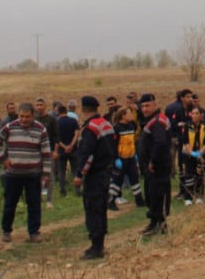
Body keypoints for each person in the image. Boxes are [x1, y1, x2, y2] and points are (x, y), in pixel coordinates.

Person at [0, 102, 51, 243]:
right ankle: (6, 231)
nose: (24, 119)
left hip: (33, 174)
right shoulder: (10, 127)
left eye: (27, 117)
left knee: (34, 205)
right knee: (10, 204)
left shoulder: (40, 129)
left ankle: (34, 232)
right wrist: (3, 159)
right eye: (21, 116)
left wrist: (46, 174)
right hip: (13, 174)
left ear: (33, 116)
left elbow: (46, 153)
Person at [71, 96, 115, 259]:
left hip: (94, 174)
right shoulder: (106, 124)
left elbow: (87, 154)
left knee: (93, 209)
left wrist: (79, 174)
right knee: (101, 208)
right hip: (106, 171)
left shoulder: (90, 128)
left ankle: (96, 247)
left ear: (83, 110)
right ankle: (100, 243)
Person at [137, 93, 172, 235]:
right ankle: (154, 223)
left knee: (158, 195)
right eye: (142, 106)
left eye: (148, 105)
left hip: (158, 166)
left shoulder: (157, 122)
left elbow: (160, 143)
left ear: (155, 105)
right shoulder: (152, 120)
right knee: (151, 195)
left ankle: (160, 224)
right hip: (152, 166)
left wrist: (152, 161)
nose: (145, 109)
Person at [107, 106, 145, 210]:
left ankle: (139, 200)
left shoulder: (132, 125)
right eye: (129, 113)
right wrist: (116, 159)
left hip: (131, 158)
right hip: (121, 159)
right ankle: (111, 201)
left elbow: (132, 142)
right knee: (117, 181)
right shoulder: (116, 128)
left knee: (135, 179)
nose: (131, 115)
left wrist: (135, 154)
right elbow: (113, 145)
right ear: (123, 116)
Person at [178, 106, 205, 205]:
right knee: (188, 176)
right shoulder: (187, 126)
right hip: (188, 155)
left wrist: (201, 152)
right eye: (193, 113)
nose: (195, 115)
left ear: (201, 115)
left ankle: (199, 196)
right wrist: (191, 153)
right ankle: (188, 197)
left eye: (197, 113)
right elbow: (185, 141)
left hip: (201, 154)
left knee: (200, 175)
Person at [55, 103, 81, 197]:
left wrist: (64, 147)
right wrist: (71, 145)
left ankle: (62, 192)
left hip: (61, 151)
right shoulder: (73, 121)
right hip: (73, 150)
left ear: (58, 112)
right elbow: (77, 134)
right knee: (75, 171)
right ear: (66, 111)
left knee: (61, 172)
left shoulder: (56, 122)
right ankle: (77, 191)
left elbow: (56, 138)